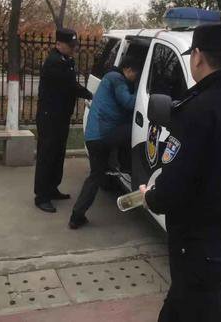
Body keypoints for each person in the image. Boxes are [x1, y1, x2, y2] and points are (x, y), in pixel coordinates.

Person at [140, 23, 221, 322]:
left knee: (192, 305)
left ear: (198, 56)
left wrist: (151, 197)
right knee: (201, 303)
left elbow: (174, 185)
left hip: (198, 249)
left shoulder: (196, 111)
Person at [69, 56, 142, 229]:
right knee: (133, 131)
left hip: (95, 136)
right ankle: (127, 167)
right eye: (136, 75)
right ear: (128, 69)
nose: (135, 78)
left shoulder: (110, 77)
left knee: (96, 176)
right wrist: (142, 93)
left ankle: (77, 216)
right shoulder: (117, 79)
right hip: (101, 135)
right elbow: (128, 102)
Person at [34, 28, 92, 213]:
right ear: (58, 44)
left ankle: (52, 188)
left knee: (58, 154)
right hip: (49, 117)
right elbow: (70, 85)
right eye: (70, 46)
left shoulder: (67, 60)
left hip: (61, 116)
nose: (74, 49)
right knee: (47, 155)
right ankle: (42, 196)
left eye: (74, 46)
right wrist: (90, 94)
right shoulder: (54, 62)